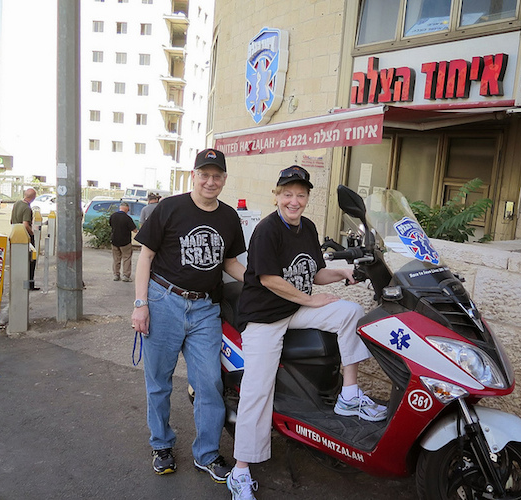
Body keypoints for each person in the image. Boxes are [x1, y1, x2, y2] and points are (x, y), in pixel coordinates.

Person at [226, 166, 387, 500]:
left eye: (300, 195)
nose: (294, 201)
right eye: (288, 194)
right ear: (277, 195)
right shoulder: (267, 231)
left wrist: (342, 273)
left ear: (307, 198)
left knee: (350, 313)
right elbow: (269, 279)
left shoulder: (308, 227)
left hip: (294, 307)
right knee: (258, 389)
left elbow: (313, 273)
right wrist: (310, 301)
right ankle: (240, 469)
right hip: (264, 316)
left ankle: (349, 396)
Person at [131, 148, 246, 480]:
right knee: (159, 382)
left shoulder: (228, 217)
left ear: (224, 179)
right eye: (204, 174)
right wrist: (141, 304)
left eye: (217, 176)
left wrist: (258, 281)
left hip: (205, 310)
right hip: (164, 301)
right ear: (194, 175)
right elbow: (145, 257)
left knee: (209, 382)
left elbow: (230, 263)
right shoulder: (169, 207)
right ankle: (162, 445)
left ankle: (207, 453)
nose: (210, 181)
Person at [10, 187, 39, 291]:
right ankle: (30, 284)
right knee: (32, 261)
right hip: (25, 237)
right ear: (33, 197)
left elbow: (11, 220)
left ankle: (18, 283)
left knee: (19, 261)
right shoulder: (27, 208)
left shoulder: (17, 204)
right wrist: (32, 233)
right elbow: (25, 224)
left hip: (15, 235)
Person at [109, 201, 137, 282]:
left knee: (116, 258)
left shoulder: (113, 216)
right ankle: (126, 275)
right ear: (127, 208)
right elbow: (134, 230)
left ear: (120, 208)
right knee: (126, 258)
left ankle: (116, 275)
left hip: (114, 240)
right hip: (125, 242)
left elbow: (110, 225)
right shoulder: (127, 218)